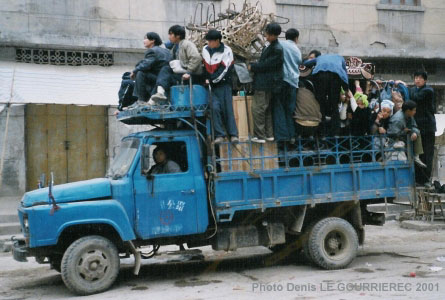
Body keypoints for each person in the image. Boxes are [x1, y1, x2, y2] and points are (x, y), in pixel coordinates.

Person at [248, 23, 284, 143]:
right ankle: (269, 135)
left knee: (258, 109)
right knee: (266, 109)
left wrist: (252, 67)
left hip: (265, 83)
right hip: (268, 84)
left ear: (274, 35)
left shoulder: (276, 49)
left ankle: (259, 136)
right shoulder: (272, 46)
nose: (265, 36)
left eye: (268, 34)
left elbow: (266, 65)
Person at [150, 25, 203, 104]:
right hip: (181, 74)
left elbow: (196, 57)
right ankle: (156, 97)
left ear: (178, 36)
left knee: (165, 73)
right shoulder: (175, 46)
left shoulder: (187, 44)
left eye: (171, 34)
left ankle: (155, 100)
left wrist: (189, 72)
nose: (169, 37)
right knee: (162, 77)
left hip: (192, 76)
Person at [202, 30, 239, 144]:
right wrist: (206, 79)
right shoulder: (205, 50)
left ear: (217, 41)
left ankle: (233, 135)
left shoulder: (227, 51)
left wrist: (212, 80)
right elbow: (204, 67)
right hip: (210, 85)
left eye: (210, 41)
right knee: (214, 108)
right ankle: (220, 135)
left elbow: (225, 70)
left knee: (227, 109)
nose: (208, 43)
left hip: (223, 84)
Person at [304, 52, 349, 137]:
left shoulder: (320, 58)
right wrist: (346, 89)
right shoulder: (340, 58)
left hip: (320, 76)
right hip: (335, 77)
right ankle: (335, 133)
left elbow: (307, 63)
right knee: (334, 105)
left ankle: (321, 133)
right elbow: (344, 73)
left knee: (321, 104)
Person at [129, 32, 172, 107]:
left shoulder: (152, 51)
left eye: (145, 38)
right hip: (165, 79)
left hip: (158, 79)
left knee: (140, 73)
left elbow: (146, 65)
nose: (143, 41)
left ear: (153, 40)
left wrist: (134, 71)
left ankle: (141, 100)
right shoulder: (167, 51)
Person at [409, 71, 436, 186]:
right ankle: (418, 179)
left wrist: (405, 87)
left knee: (427, 154)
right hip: (418, 127)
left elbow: (415, 97)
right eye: (416, 78)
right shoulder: (415, 89)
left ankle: (426, 179)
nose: (417, 80)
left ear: (425, 80)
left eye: (420, 78)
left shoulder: (428, 90)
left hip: (428, 128)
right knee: (417, 154)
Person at [276, 28, 302, 143]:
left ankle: (282, 137)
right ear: (296, 38)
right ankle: (292, 136)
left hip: (281, 80)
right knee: (289, 110)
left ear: (285, 36)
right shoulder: (297, 50)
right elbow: (299, 62)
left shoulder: (279, 44)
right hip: (293, 83)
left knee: (279, 108)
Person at [387, 100, 427, 168]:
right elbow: (392, 134)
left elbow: (414, 126)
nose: (415, 112)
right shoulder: (398, 119)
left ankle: (416, 156)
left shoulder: (409, 115)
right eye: (414, 110)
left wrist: (414, 132)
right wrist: (404, 132)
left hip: (405, 138)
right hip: (394, 142)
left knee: (417, 133)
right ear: (408, 110)